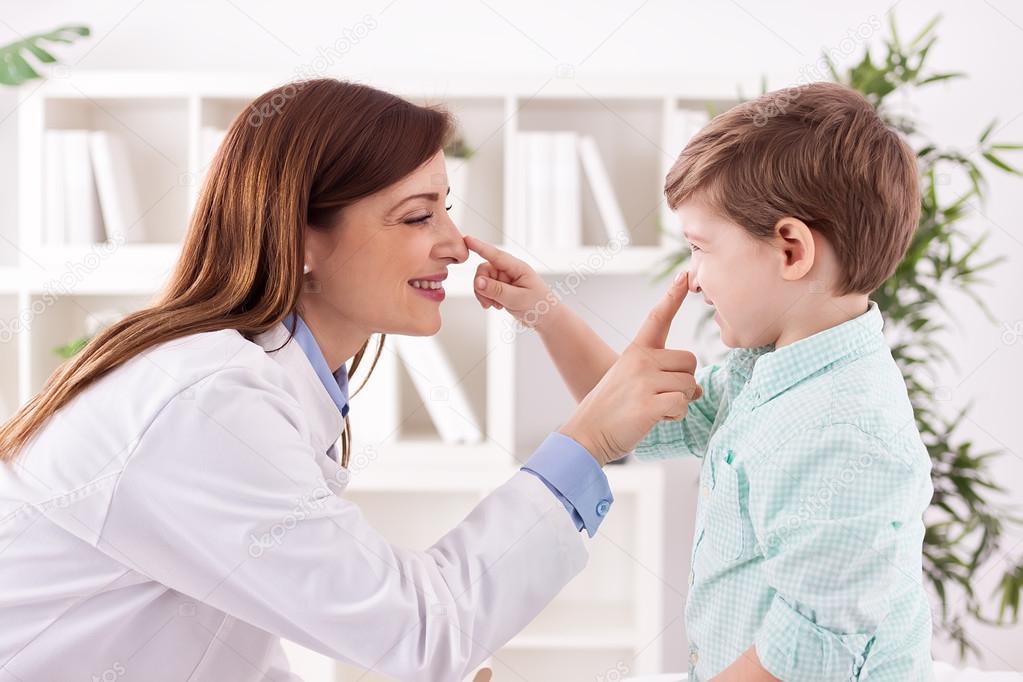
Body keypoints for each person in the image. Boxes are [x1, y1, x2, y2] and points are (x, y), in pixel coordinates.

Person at [0, 79, 700, 681]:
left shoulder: (259, 381)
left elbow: (222, 645)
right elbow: (422, 634)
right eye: (417, 215)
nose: (456, 244)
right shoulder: (206, 403)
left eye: (446, 208)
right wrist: (583, 442)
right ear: (302, 236)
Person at [468, 82, 934, 681]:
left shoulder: (846, 433)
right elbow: (630, 419)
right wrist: (544, 310)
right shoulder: (766, 369)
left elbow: (808, 655)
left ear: (791, 250)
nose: (691, 278)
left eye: (699, 247)